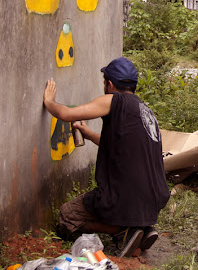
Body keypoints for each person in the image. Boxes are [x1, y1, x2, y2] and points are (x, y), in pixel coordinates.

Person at [43, 57, 170, 257]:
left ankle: (122, 230)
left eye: (104, 82)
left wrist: (49, 102)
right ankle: (143, 227)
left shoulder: (114, 100)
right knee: (122, 199)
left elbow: (67, 114)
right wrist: (89, 134)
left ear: (109, 84)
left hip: (127, 196)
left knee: (67, 216)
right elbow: (123, 147)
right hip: (153, 198)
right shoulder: (145, 111)